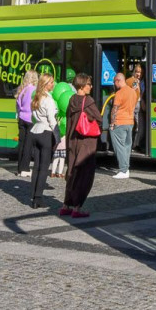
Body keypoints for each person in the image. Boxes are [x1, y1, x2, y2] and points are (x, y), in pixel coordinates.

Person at [62, 73, 100, 218]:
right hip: (86, 143)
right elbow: (99, 118)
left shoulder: (72, 100)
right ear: (82, 86)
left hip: (72, 141)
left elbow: (68, 120)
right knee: (84, 175)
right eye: (89, 84)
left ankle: (66, 205)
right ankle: (77, 208)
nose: (91, 86)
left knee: (72, 172)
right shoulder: (88, 101)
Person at [27, 74, 59, 208]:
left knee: (36, 166)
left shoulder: (36, 97)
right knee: (44, 168)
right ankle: (38, 198)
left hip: (36, 131)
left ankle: (34, 195)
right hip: (46, 132)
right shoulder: (48, 100)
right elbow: (52, 120)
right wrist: (57, 136)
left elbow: (33, 116)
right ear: (45, 84)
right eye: (51, 82)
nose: (53, 84)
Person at [109, 73, 136, 179]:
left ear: (118, 80)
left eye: (114, 82)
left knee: (119, 147)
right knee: (126, 147)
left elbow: (114, 109)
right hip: (130, 122)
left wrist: (112, 123)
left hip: (119, 122)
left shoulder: (119, 93)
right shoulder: (133, 92)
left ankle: (123, 170)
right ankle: (126, 169)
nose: (114, 84)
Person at [14, 69, 39, 178]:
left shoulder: (22, 89)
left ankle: (19, 169)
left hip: (21, 119)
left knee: (22, 144)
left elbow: (18, 105)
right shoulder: (34, 90)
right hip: (30, 119)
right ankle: (25, 169)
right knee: (28, 146)